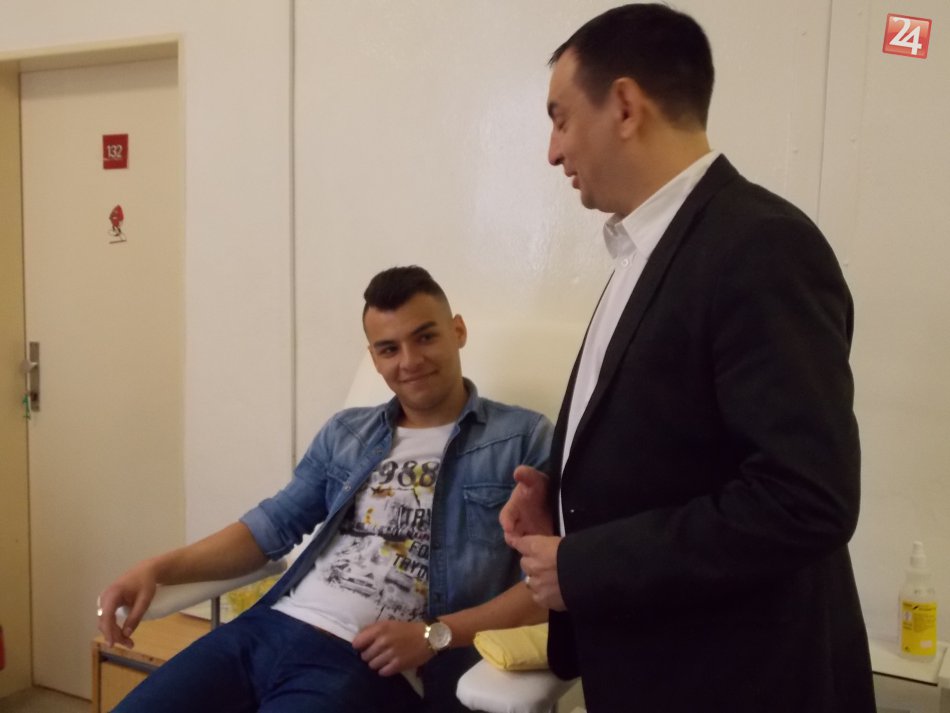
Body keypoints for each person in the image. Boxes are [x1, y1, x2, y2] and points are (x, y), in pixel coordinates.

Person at [500, 5, 875, 712]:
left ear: (624, 106)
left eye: (560, 118)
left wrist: (585, 562)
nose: (552, 151)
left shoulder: (761, 245)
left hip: (737, 679)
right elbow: (676, 435)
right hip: (651, 666)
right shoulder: (647, 250)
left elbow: (804, 500)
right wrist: (562, 496)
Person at [98, 265, 552, 713]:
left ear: (458, 331)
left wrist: (436, 635)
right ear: (374, 358)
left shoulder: (522, 439)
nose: (410, 361)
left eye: (425, 337)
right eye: (389, 349)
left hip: (368, 665)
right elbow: (270, 526)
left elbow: (550, 582)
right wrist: (157, 569)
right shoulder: (347, 433)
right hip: (267, 629)